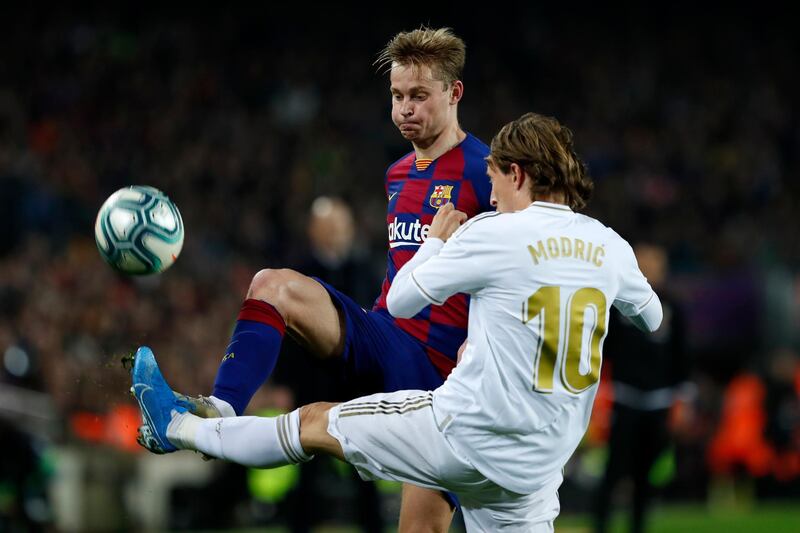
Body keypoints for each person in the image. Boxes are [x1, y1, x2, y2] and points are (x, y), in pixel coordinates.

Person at [132, 112, 663, 531]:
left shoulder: (495, 232)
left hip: (463, 436)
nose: (491, 194)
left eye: (496, 179)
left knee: (315, 422)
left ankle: (178, 426)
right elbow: (650, 315)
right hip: (535, 470)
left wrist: (434, 242)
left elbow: (405, 299)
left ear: (517, 173)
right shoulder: (608, 245)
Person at [136, 27, 493, 532]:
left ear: (454, 93)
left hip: (445, 379)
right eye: (396, 96)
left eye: (418, 96)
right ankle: (218, 408)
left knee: (420, 529)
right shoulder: (396, 174)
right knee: (271, 285)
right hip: (386, 339)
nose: (404, 109)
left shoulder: (485, 172)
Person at [592, 243, 690, 533]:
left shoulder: (673, 305)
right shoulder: (619, 302)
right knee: (613, 472)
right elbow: (603, 349)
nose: (649, 268)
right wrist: (599, 391)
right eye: (644, 261)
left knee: (645, 475)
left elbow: (682, 355)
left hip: (658, 402)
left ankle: (638, 527)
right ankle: (602, 525)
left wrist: (682, 400)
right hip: (624, 398)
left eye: (654, 262)